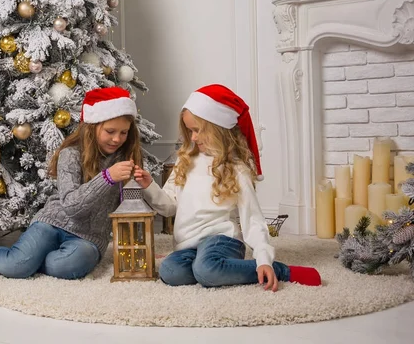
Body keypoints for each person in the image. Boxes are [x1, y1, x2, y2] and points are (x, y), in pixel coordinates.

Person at [0, 87, 142, 281]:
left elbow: (136, 207)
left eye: (123, 133)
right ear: (92, 127)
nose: (117, 139)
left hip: (88, 238)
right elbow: (70, 206)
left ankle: (26, 260)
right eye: (110, 131)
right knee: (17, 267)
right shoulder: (71, 154)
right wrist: (106, 178)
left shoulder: (127, 159)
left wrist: (142, 245)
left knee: (69, 267)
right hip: (53, 222)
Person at [133, 84, 321, 291]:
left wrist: (264, 258)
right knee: (170, 272)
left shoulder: (236, 169)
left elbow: (253, 219)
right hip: (189, 244)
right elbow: (169, 207)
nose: (193, 137)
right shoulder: (185, 161)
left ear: (218, 129)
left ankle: (279, 270)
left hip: (223, 240)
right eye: (190, 131)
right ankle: (211, 269)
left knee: (206, 270)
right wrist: (149, 185)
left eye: (198, 130)